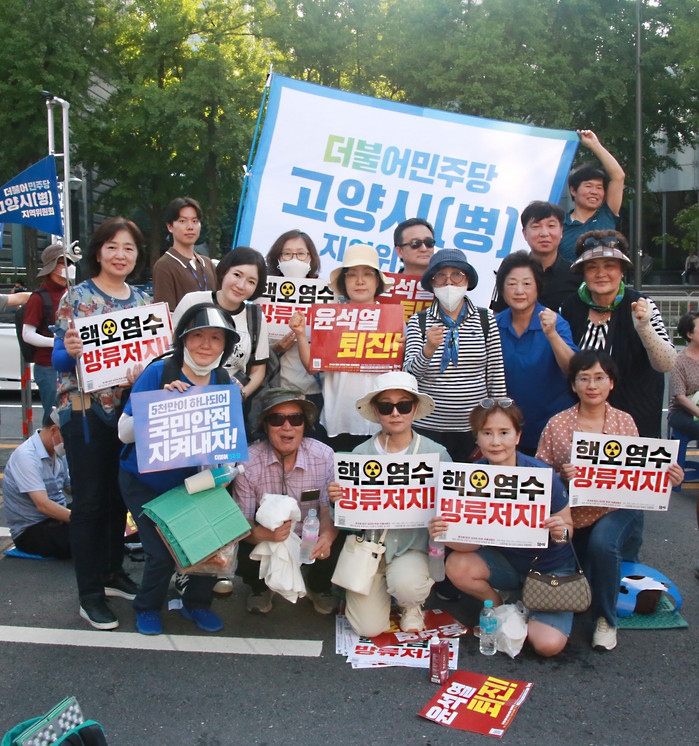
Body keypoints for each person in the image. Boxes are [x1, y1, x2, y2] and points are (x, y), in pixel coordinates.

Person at [536, 350, 684, 650]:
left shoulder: (625, 422)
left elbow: (641, 474)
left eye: (600, 377)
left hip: (617, 508)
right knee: (577, 577)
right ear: (574, 384)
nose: (592, 385)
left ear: (611, 383)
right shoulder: (557, 424)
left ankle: (606, 620)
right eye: (584, 378)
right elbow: (540, 474)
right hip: (573, 513)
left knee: (603, 543)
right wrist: (563, 477)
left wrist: (668, 477)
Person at [52, 217, 150, 630]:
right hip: (86, 412)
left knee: (118, 498)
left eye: (128, 248)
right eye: (112, 246)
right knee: (89, 503)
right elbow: (58, 359)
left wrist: (144, 371)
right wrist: (71, 350)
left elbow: (153, 358)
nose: (120, 255)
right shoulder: (76, 297)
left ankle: (112, 571)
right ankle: (89, 594)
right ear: (98, 251)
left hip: (127, 413)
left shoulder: (143, 301)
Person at [118, 304, 239, 635]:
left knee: (206, 545)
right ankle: (146, 607)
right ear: (183, 338)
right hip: (144, 480)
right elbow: (123, 432)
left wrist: (228, 471)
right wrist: (160, 403)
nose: (205, 344)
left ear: (226, 345)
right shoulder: (159, 372)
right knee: (159, 554)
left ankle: (197, 604)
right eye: (197, 335)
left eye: (216, 338)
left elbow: (226, 438)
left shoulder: (223, 379)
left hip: (194, 482)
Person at [429, 398, 575, 657]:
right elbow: (469, 545)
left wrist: (559, 530)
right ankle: (499, 606)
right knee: (457, 565)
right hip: (505, 562)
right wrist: (444, 534)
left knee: (547, 645)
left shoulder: (541, 475)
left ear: (518, 436)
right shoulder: (469, 476)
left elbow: (568, 532)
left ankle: (529, 604)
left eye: (504, 432)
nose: (495, 442)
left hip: (549, 568)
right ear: (477, 438)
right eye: (487, 433)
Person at [326, 371, 451, 636]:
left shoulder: (436, 453)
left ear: (414, 409)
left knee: (408, 587)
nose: (395, 413)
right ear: (376, 410)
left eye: (403, 405)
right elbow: (344, 518)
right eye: (386, 406)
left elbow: (450, 508)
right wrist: (336, 500)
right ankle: (384, 592)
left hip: (412, 547)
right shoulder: (360, 454)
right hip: (369, 548)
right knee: (367, 629)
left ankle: (411, 605)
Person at [231, 388, 340, 615]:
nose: (287, 426)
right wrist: (261, 535)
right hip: (267, 535)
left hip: (310, 534)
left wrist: (326, 538)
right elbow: (242, 522)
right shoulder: (248, 463)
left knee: (340, 533)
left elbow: (326, 510)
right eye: (277, 419)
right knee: (241, 545)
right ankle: (260, 588)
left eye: (296, 419)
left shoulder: (324, 455)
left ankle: (319, 587)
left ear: (304, 425)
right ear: (265, 425)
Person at [560, 230, 676, 438]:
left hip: (636, 420)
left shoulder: (642, 305)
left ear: (622, 270)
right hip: (582, 424)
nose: (601, 273)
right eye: (592, 267)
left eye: (609, 266)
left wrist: (644, 327)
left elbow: (666, 363)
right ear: (583, 272)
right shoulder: (569, 308)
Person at [290, 243, 395, 452]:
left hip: (381, 421)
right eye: (351, 274)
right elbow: (311, 367)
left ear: (377, 281)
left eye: (367, 274)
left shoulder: (395, 321)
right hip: (337, 420)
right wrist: (301, 334)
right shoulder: (329, 318)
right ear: (343, 281)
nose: (359, 281)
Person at [403, 248, 506, 462]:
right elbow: (409, 376)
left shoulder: (485, 319)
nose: (449, 282)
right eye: (441, 276)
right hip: (427, 426)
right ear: (432, 282)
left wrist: (497, 421)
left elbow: (495, 374)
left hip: (474, 426)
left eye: (457, 275)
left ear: (467, 280)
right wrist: (428, 350)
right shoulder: (418, 321)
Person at [495, 251, 577, 454]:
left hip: (552, 428)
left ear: (538, 287)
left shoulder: (555, 321)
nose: (519, 291)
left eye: (527, 283)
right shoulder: (493, 325)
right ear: (502, 289)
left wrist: (552, 334)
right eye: (511, 283)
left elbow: (573, 370)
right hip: (506, 431)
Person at [173, 246, 269, 408]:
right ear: (224, 271)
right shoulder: (192, 301)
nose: (241, 285)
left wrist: (240, 395)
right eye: (237, 275)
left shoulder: (256, 317)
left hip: (227, 402)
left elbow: (258, 369)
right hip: (183, 395)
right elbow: (171, 348)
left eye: (251, 282)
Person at [265, 230, 323, 413]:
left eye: (301, 254)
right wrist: (275, 349)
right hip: (276, 386)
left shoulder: (325, 295)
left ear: (311, 258)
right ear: (278, 258)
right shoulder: (264, 293)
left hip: (314, 388)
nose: (294, 259)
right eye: (287, 254)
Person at [2, 409, 70, 558]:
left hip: (55, 517)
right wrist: (80, 518)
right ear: (54, 430)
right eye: (68, 437)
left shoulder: (58, 453)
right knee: (87, 536)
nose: (70, 443)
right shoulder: (26, 457)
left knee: (100, 516)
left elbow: (71, 488)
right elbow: (43, 505)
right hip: (31, 529)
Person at [22, 244, 80, 419]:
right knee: (54, 417)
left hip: (73, 365)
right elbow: (27, 334)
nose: (69, 267)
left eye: (70, 263)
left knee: (74, 415)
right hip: (48, 367)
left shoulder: (74, 294)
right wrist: (56, 343)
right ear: (53, 268)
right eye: (64, 263)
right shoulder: (39, 297)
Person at [559, 130, 625, 262]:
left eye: (599, 187)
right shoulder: (559, 225)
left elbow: (618, 176)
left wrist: (594, 144)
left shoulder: (606, 214)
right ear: (573, 190)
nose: (594, 192)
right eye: (588, 186)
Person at [152, 197, 218, 311]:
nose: (190, 227)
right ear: (170, 226)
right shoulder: (164, 265)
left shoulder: (207, 263)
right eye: (182, 221)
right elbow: (166, 313)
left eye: (195, 221)